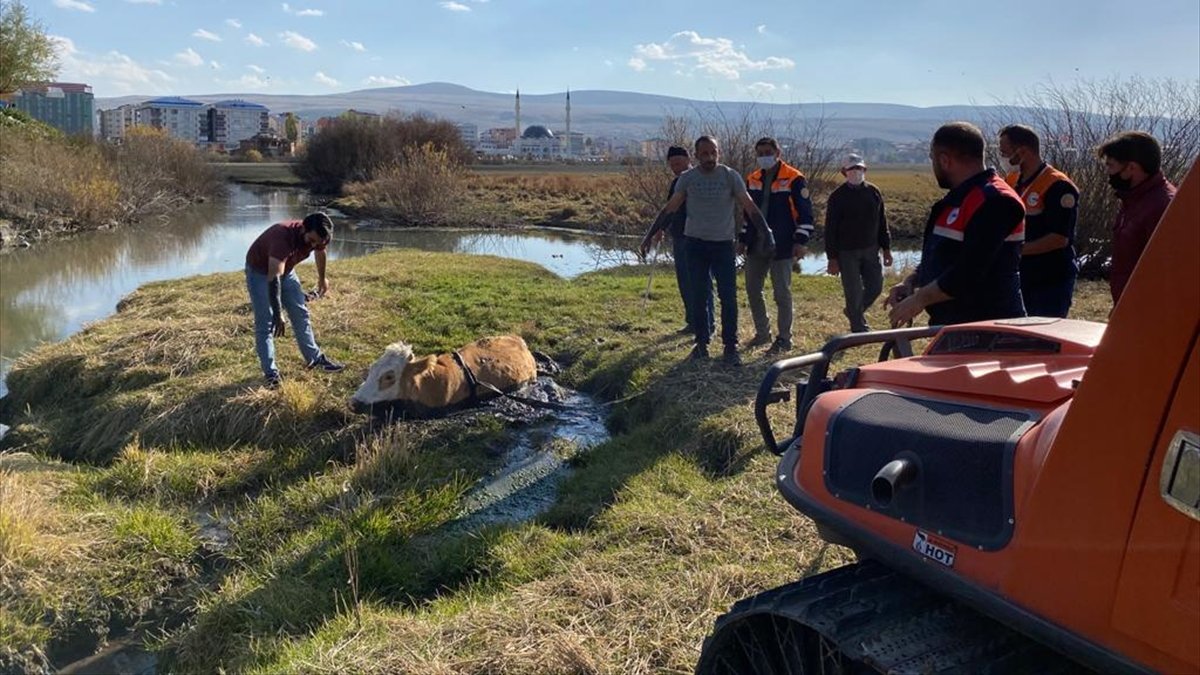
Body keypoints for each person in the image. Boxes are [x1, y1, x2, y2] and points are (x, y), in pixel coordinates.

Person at [642, 135, 776, 366]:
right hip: (695, 244)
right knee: (699, 295)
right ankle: (702, 344)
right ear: (697, 155)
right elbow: (670, 209)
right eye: (704, 153)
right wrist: (649, 235)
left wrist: (766, 231)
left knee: (728, 297)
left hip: (723, 244)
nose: (709, 157)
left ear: (718, 153)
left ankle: (730, 347)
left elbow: (749, 206)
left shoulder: (729, 176)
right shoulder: (687, 179)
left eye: (713, 153)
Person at [885, 122, 1026, 327]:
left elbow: (969, 271)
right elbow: (944, 255)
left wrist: (919, 300)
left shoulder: (996, 201)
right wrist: (912, 281)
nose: (933, 166)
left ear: (945, 160)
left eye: (933, 159)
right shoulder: (956, 200)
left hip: (989, 327)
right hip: (952, 323)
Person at [245, 212, 345, 387]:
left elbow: (320, 253)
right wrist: (278, 313)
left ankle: (315, 359)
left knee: (300, 312)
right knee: (266, 321)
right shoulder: (282, 238)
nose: (313, 245)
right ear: (303, 229)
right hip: (261, 272)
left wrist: (322, 279)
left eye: (318, 242)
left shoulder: (321, 236)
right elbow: (273, 278)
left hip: (287, 269)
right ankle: (271, 374)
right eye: (311, 240)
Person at [739, 137, 815, 353]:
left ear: (777, 152)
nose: (764, 156)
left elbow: (806, 214)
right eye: (760, 153)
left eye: (768, 152)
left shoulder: (794, 178)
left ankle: (784, 338)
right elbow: (747, 214)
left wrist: (800, 241)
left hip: (783, 244)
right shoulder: (752, 178)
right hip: (756, 244)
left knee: (782, 293)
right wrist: (743, 239)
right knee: (753, 289)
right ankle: (762, 333)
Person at [999, 125, 1080, 318]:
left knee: (1044, 337)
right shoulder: (1012, 180)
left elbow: (1059, 238)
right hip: (1021, 274)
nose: (1001, 157)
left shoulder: (1058, 185)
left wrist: (1015, 250)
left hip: (1050, 278)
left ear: (1023, 151)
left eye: (1004, 152)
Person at [638, 146, 713, 336]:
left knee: (702, 282)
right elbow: (671, 209)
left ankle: (707, 323)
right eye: (672, 165)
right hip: (680, 237)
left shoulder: (699, 180)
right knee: (685, 282)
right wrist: (661, 228)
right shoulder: (676, 183)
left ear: (689, 159)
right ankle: (692, 321)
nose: (675, 167)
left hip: (699, 238)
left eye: (678, 163)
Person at [1097, 131, 1177, 304]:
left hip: (1150, 309)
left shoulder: (1162, 206)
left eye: (1111, 166)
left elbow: (1166, 269)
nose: (1108, 173)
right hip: (1129, 305)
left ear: (1131, 168)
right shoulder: (1133, 199)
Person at [825, 153, 893, 332]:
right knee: (853, 292)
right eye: (852, 169)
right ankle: (858, 327)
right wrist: (832, 258)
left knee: (876, 287)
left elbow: (882, 222)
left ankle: (853, 312)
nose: (856, 172)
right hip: (846, 253)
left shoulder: (874, 192)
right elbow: (830, 229)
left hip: (871, 249)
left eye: (859, 168)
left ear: (865, 169)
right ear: (843, 171)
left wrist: (886, 248)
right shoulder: (837, 197)